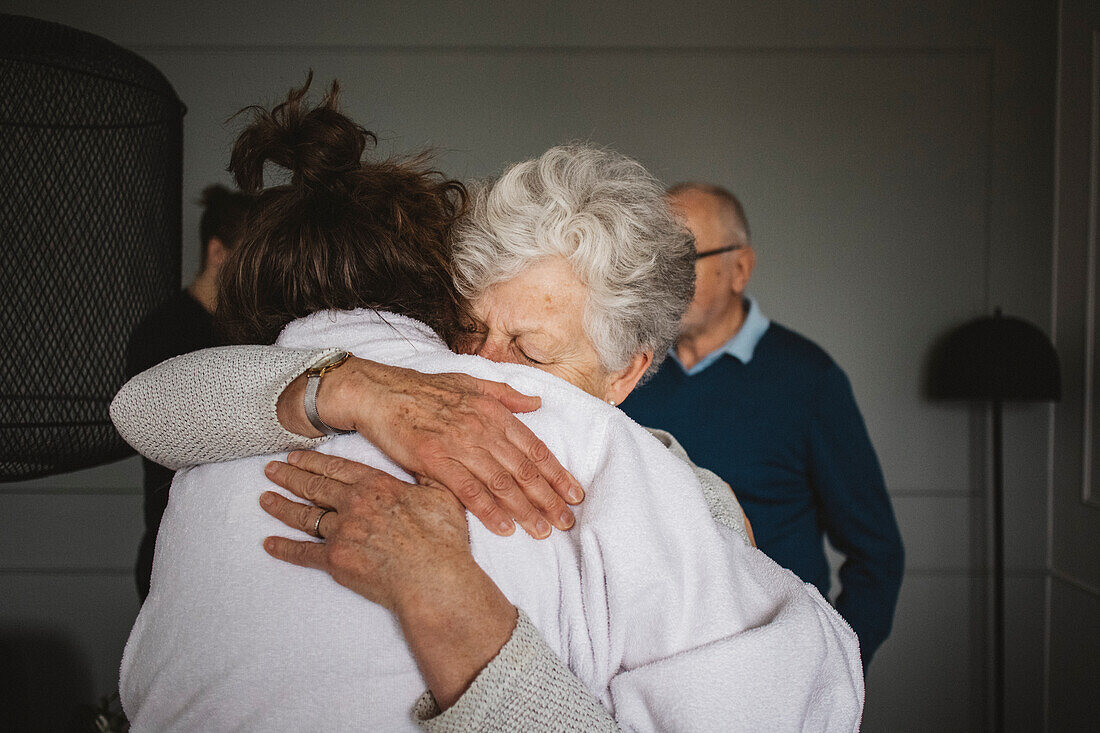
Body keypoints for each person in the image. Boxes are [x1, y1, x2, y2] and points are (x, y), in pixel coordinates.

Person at [113, 82, 862, 731]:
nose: (479, 370)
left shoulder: (673, 496)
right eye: (468, 330)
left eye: (534, 356)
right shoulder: (386, 386)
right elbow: (145, 409)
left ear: (623, 376)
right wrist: (354, 387)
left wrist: (454, 607)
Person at [621, 182, 905, 667]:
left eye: (683, 257)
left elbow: (876, 554)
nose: (661, 276)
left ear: (740, 269)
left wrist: (834, 672)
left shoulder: (808, 379)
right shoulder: (625, 372)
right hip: (647, 668)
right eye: (654, 257)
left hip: (776, 665)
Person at [125, 183, 253, 600]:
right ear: (218, 254)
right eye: (252, 261)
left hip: (219, 555)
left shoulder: (243, 332)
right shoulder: (164, 333)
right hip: (175, 553)